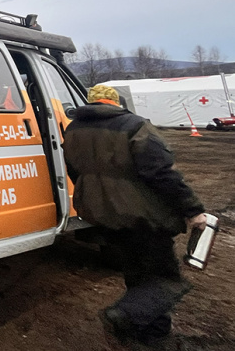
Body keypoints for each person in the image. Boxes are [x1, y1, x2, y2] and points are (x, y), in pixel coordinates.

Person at [63, 84, 207, 348]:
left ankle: (147, 332)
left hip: (102, 213)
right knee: (165, 278)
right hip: (142, 214)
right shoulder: (134, 125)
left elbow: (75, 170)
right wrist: (192, 209)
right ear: (115, 102)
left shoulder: (73, 129)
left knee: (136, 273)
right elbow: (161, 173)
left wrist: (97, 195)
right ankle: (130, 318)